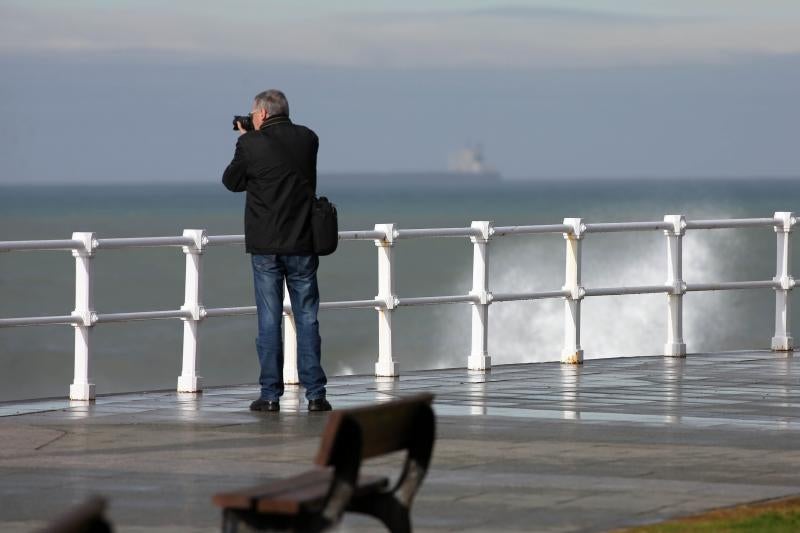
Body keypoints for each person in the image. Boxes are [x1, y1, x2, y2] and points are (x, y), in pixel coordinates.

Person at [222, 89, 331, 413]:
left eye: (254, 114)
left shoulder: (250, 143)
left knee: (269, 321)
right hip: (302, 242)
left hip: (266, 247)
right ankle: (316, 395)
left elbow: (232, 181)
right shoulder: (309, 139)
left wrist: (246, 139)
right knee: (308, 318)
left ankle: (270, 395)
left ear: (263, 114)